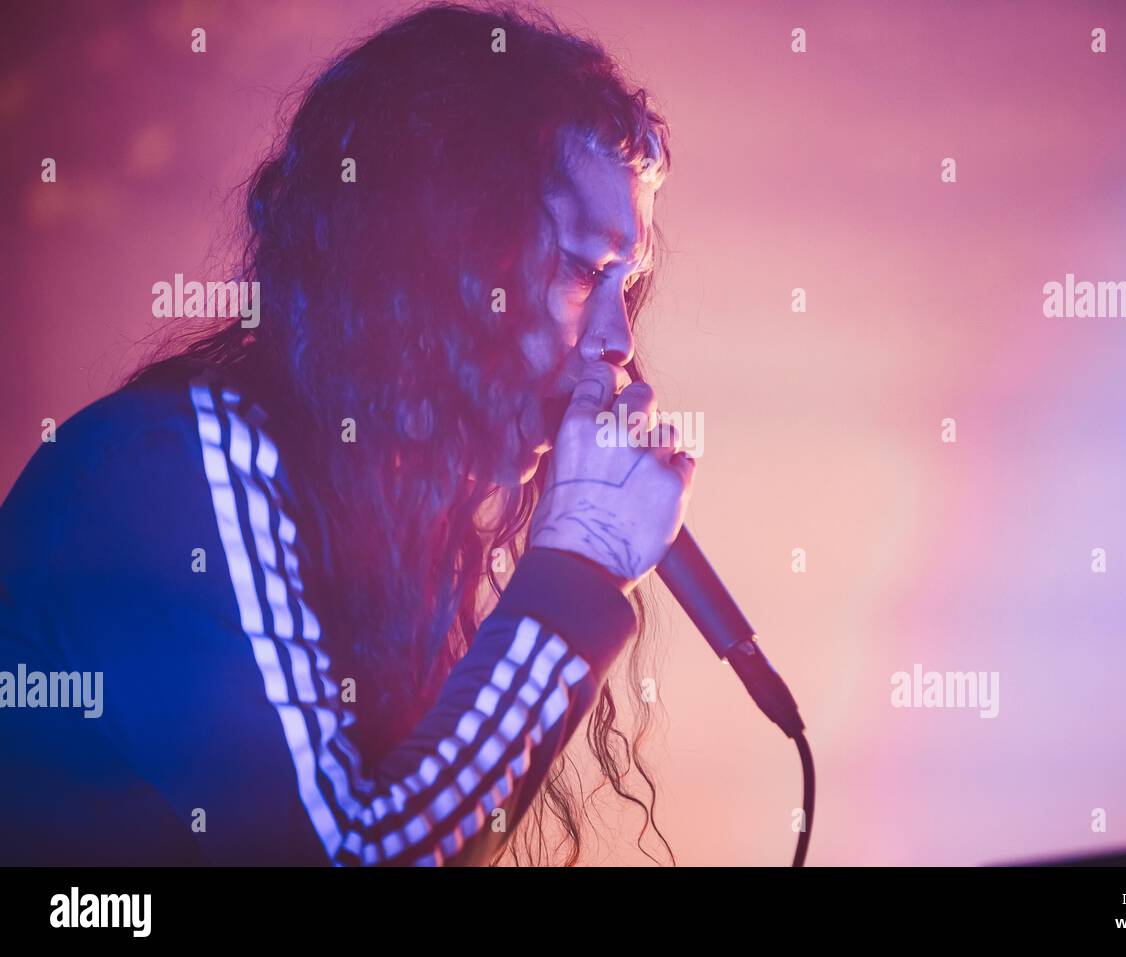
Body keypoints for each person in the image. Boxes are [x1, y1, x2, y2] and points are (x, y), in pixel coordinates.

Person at [0, 2, 694, 866]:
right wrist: (581, 561)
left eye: (626, 287)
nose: (617, 341)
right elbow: (342, 859)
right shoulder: (174, 469)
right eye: (586, 269)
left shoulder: (390, 544)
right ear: (447, 260)